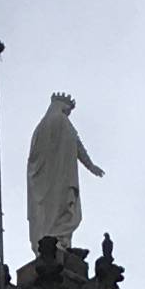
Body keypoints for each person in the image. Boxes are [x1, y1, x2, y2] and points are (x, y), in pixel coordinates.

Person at [25, 92, 102, 251]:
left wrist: (90, 165)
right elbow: (76, 145)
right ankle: (58, 240)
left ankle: (56, 241)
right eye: (67, 110)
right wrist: (90, 165)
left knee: (52, 211)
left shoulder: (40, 128)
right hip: (58, 178)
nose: (68, 114)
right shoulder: (61, 122)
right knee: (61, 211)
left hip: (51, 179)